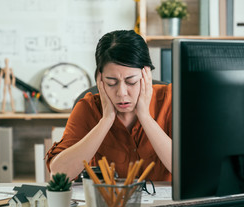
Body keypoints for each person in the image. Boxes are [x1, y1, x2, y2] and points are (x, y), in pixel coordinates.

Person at [46, 30, 172, 181]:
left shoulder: (171, 100)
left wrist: (145, 117)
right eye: (111, 82)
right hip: (107, 203)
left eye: (131, 81)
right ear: (100, 79)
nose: (121, 93)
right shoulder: (88, 108)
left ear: (146, 75)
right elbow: (59, 174)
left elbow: (190, 170)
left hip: (166, 204)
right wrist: (106, 120)